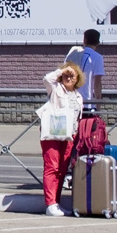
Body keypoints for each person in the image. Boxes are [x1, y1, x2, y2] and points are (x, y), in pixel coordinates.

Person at [40, 61, 84, 216]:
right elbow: (47, 79)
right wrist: (62, 70)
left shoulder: (78, 96)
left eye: (72, 75)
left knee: (62, 170)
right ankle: (50, 203)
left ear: (78, 78)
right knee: (52, 167)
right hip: (52, 133)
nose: (69, 78)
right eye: (66, 75)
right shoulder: (56, 89)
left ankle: (56, 203)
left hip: (69, 135)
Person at [64, 29, 106, 113]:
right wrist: (98, 105)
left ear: (84, 40)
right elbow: (97, 83)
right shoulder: (97, 57)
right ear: (98, 42)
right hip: (87, 103)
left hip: (70, 101)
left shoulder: (73, 54)